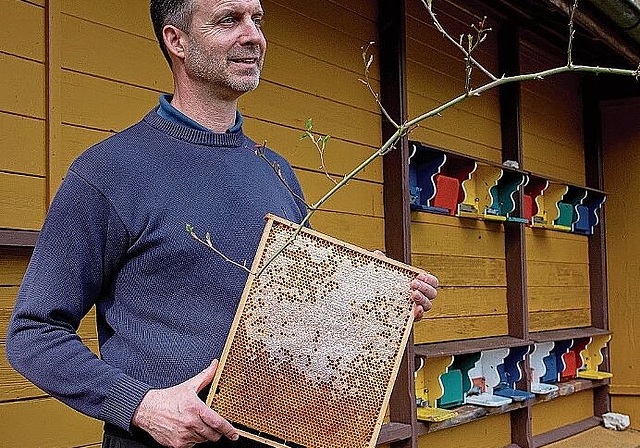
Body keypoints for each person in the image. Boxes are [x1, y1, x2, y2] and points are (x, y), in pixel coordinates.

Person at [6, 0, 439, 447]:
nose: (254, 35)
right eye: (230, 20)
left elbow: (299, 325)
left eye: (258, 19)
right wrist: (139, 405)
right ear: (176, 40)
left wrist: (374, 302)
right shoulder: (108, 173)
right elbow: (33, 334)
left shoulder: (275, 172)